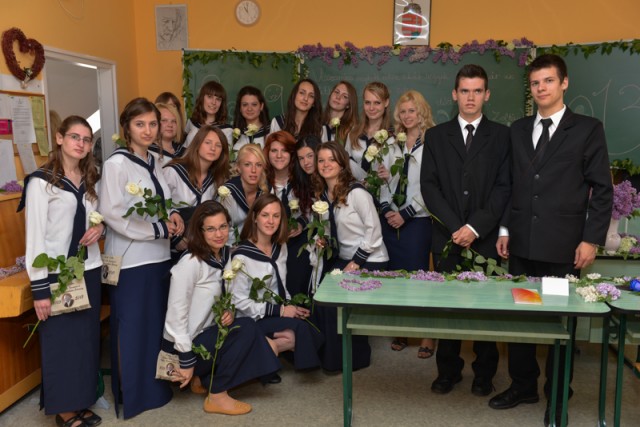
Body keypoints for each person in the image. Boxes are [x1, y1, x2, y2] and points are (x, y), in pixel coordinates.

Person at [490, 54, 612, 427]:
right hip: (522, 245)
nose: (541, 88)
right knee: (522, 321)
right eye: (535, 83)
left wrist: (591, 239)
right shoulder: (517, 129)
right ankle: (523, 385)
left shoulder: (587, 129)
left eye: (548, 81)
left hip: (563, 248)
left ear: (564, 83)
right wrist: (505, 229)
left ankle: (557, 394)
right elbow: (510, 184)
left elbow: (602, 189)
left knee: (561, 324)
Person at [420, 64, 511, 396]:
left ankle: (484, 373)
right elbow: (429, 187)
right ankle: (448, 371)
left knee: (485, 309)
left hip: (484, 237)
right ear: (454, 94)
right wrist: (457, 227)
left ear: (486, 95)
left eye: (477, 91)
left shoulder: (502, 136)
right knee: (448, 308)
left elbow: (504, 187)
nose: (470, 97)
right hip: (447, 237)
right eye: (464, 91)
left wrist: (475, 227)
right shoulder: (436, 136)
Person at [99, 98, 185, 419]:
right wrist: (157, 229)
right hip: (131, 260)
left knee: (154, 327)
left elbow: (165, 200)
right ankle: (132, 395)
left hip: (158, 257)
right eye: (140, 124)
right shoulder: (116, 164)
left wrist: (173, 215)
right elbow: (112, 213)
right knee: (131, 328)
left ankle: (155, 388)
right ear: (127, 128)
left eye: (152, 124)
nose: (148, 130)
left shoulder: (155, 161)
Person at [22, 115, 104, 427]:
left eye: (86, 139)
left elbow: (97, 216)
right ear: (59, 138)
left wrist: (100, 228)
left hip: (88, 269)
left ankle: (81, 401)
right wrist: (40, 290)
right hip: (56, 273)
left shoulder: (90, 178)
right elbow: (35, 237)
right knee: (61, 343)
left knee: (86, 341)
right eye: (74, 137)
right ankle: (64, 409)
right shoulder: (41, 182)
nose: (81, 144)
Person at [162, 201, 280, 415]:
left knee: (265, 343)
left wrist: (229, 312)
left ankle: (203, 379)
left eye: (223, 226)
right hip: (184, 348)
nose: (219, 234)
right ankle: (217, 394)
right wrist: (186, 359)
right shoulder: (190, 263)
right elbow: (175, 316)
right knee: (247, 328)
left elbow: (224, 299)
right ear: (200, 231)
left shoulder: (224, 256)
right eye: (211, 229)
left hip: (208, 335)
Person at [312, 141, 389, 372]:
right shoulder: (324, 196)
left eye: (331, 160)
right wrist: (323, 240)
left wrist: (356, 262)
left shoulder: (357, 192)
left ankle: (355, 359)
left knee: (336, 304)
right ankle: (331, 359)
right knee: (321, 299)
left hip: (370, 259)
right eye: (321, 160)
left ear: (342, 163)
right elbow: (333, 230)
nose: (326, 164)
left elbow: (374, 230)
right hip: (344, 258)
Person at [229, 194, 323, 377]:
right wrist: (280, 311)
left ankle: (264, 351)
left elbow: (281, 285)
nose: (271, 221)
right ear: (255, 218)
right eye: (265, 215)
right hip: (251, 318)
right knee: (298, 333)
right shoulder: (241, 257)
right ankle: (256, 358)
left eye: (276, 216)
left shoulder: (280, 246)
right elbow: (239, 303)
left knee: (310, 322)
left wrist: (290, 307)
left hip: (273, 311)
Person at [381, 90, 436, 359]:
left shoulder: (432, 143)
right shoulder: (392, 144)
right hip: (391, 219)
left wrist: (407, 212)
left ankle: (427, 334)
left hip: (418, 220)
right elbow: (384, 181)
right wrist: (387, 210)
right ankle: (402, 329)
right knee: (396, 278)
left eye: (411, 110)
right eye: (402, 112)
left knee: (419, 278)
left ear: (421, 112)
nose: (406, 116)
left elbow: (433, 186)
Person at [163, 125, 230, 261]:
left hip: (201, 251)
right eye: (208, 143)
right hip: (170, 249)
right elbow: (158, 206)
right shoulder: (173, 171)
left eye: (218, 145)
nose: (213, 148)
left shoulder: (216, 179)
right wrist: (176, 240)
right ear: (197, 144)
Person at [346, 81, 395, 189]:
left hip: (382, 195)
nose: (371, 108)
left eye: (377, 103)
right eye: (367, 102)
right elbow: (345, 166)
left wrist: (388, 176)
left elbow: (396, 176)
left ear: (386, 102)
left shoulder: (393, 137)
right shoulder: (353, 133)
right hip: (353, 193)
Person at [290, 134, 322, 296]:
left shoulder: (330, 173)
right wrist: (300, 223)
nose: (306, 162)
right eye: (301, 158)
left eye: (310, 156)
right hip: (313, 231)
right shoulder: (302, 180)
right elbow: (308, 212)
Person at [219, 144, 270, 245]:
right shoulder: (228, 193)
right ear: (238, 167)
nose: (253, 170)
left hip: (260, 244)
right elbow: (221, 229)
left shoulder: (267, 190)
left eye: (258, 165)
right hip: (230, 246)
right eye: (247, 164)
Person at [185, 81, 232, 147]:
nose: (213, 102)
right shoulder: (191, 122)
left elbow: (227, 153)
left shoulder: (227, 130)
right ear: (202, 98)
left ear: (221, 104)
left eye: (218, 99)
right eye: (210, 97)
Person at [231, 86, 271, 156]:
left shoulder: (271, 131)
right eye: (245, 105)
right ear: (240, 108)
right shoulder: (235, 132)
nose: (249, 109)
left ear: (261, 106)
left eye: (254, 104)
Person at [322, 81, 359, 145]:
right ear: (330, 95)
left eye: (345, 96)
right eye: (336, 92)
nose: (338, 97)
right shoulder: (317, 123)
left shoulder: (352, 130)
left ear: (348, 105)